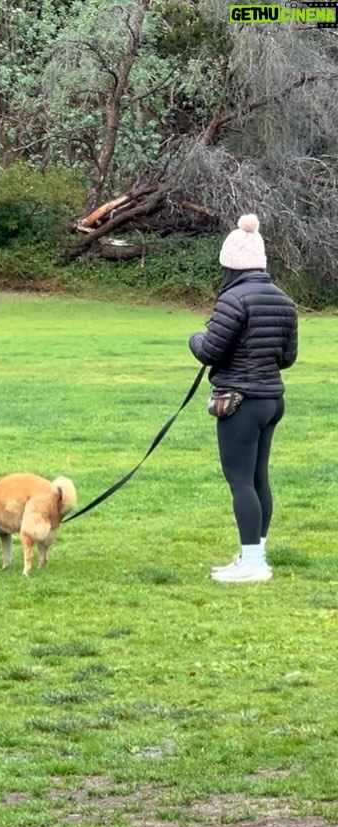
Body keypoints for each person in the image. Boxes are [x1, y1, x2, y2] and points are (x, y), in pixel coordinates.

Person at [189, 214, 298, 583]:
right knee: (258, 478)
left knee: (240, 481)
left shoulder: (233, 300)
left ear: (230, 264)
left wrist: (194, 339)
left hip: (240, 400)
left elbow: (210, 350)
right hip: (271, 400)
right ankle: (256, 554)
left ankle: (252, 565)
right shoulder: (284, 301)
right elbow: (287, 358)